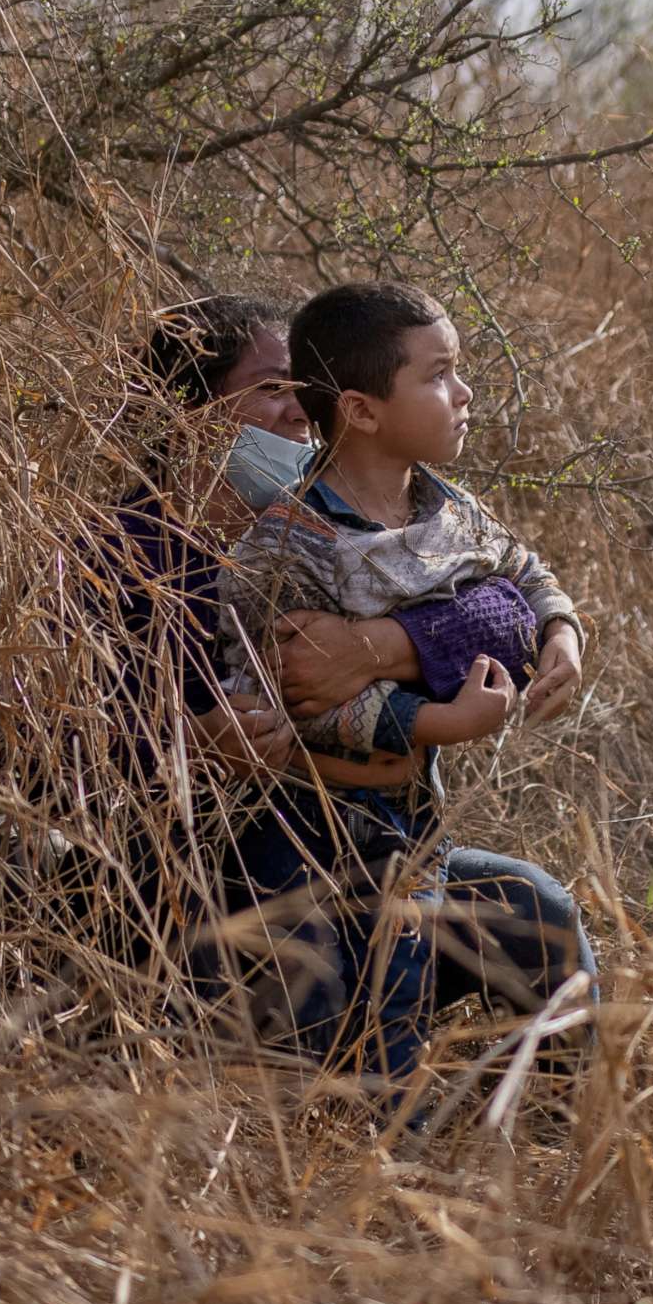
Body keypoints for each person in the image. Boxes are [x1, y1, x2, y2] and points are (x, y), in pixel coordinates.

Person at [94, 294, 593, 1058]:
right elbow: (65, 745)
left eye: (307, 387)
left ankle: (566, 1125)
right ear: (185, 410)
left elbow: (506, 598)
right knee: (323, 1004)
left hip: (382, 835)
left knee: (533, 908)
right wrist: (187, 745)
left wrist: (379, 643)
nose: (303, 412)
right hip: (209, 879)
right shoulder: (125, 557)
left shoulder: (389, 518)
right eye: (273, 388)